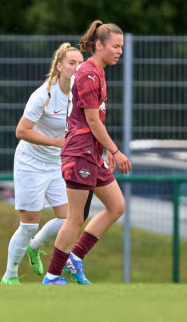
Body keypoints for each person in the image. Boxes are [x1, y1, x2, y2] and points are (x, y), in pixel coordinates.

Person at [42, 21, 131, 285]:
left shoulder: (98, 72)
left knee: (116, 206)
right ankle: (52, 276)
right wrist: (116, 149)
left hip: (92, 153)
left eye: (122, 47)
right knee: (75, 217)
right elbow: (92, 121)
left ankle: (76, 257)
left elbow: (95, 121)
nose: (119, 51)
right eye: (115, 46)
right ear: (99, 45)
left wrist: (106, 151)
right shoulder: (88, 74)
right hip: (79, 153)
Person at [1, 43, 85, 284]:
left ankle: (35, 246)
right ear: (59, 66)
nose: (77, 67)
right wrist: (56, 143)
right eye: (71, 63)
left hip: (57, 165)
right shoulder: (43, 95)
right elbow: (21, 131)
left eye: (81, 63)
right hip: (31, 163)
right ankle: (10, 275)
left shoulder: (82, 94)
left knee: (69, 219)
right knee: (29, 225)